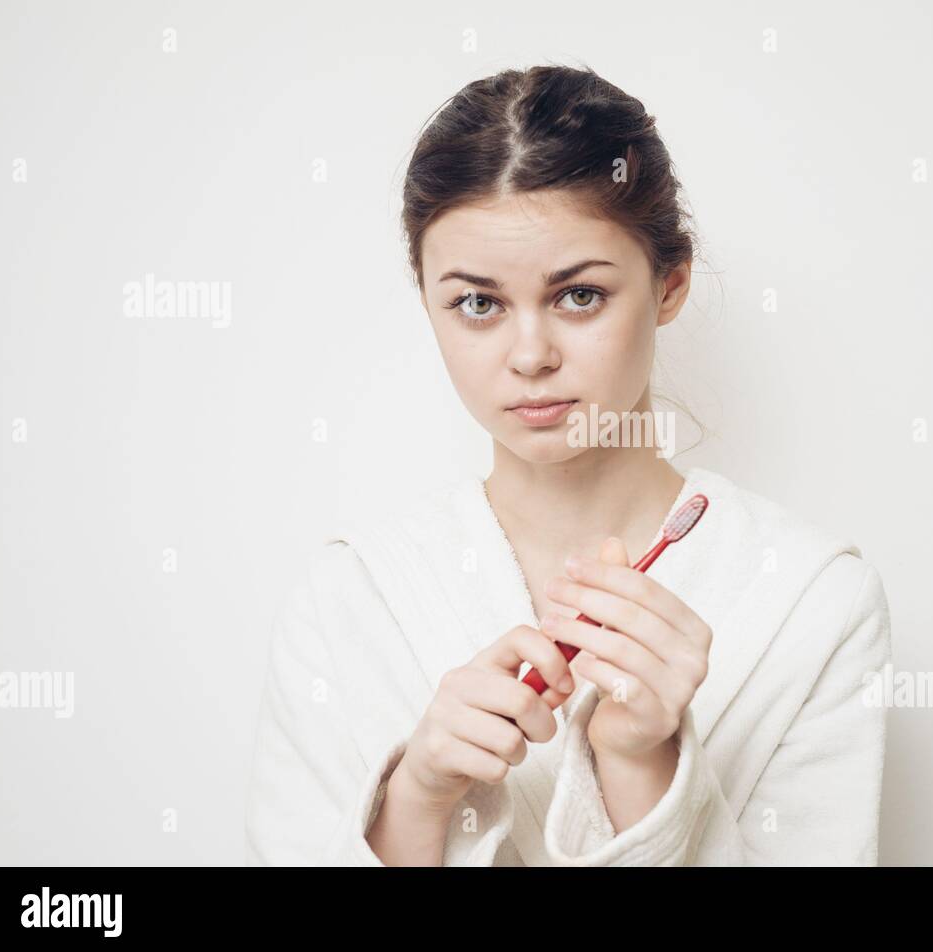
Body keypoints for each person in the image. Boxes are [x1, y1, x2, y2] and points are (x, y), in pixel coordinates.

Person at [244, 64, 892, 866]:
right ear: (428, 302)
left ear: (670, 286)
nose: (530, 355)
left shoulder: (812, 601)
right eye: (477, 303)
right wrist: (415, 797)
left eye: (578, 295)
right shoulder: (346, 600)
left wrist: (640, 764)